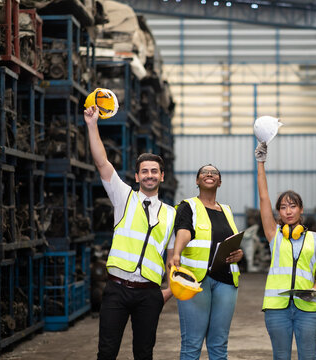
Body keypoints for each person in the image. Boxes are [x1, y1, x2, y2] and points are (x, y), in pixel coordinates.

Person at [84, 105, 176, 360]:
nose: (149, 175)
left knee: (144, 353)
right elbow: (102, 162)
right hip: (117, 289)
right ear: (137, 176)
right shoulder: (124, 197)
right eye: (144, 171)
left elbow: (171, 257)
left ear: (162, 176)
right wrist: (92, 125)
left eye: (154, 171)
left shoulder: (171, 214)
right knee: (107, 351)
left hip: (149, 293)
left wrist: (167, 291)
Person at [255, 142, 316, 360]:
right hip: (277, 308)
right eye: (284, 207)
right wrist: (261, 163)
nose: (288, 211)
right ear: (279, 211)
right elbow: (263, 198)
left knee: (308, 357)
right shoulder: (274, 235)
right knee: (281, 357)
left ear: (301, 209)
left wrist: (314, 290)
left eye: (293, 206)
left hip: (307, 308)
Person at [168, 164, 244, 360]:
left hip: (226, 281)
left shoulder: (227, 210)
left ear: (219, 181)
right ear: (197, 181)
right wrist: (176, 253)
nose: (209, 174)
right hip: (196, 282)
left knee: (219, 344)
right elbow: (184, 231)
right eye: (204, 172)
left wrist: (239, 254)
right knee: (192, 343)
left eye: (214, 173)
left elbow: (231, 241)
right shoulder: (188, 206)